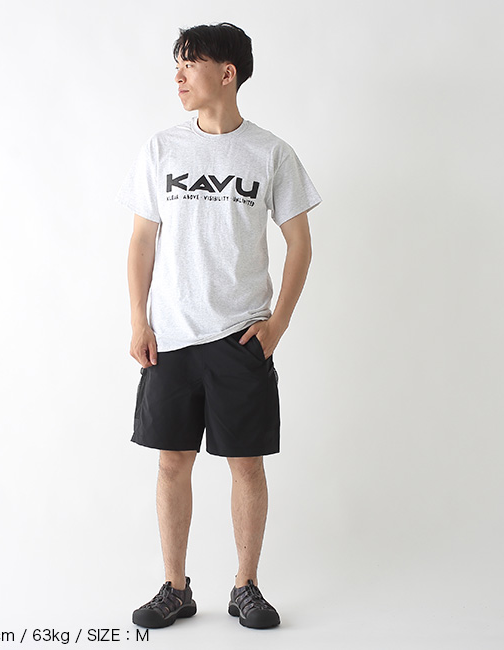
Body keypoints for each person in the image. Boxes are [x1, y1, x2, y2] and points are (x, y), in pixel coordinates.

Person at [116, 22, 322, 630]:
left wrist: (276, 326)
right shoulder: (161, 149)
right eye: (176, 65)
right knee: (171, 463)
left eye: (190, 64)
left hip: (240, 339)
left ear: (226, 73)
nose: (178, 77)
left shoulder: (270, 153)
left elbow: (300, 244)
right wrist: (138, 319)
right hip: (172, 337)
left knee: (246, 466)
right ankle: (175, 587)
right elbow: (141, 241)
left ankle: (245, 586)